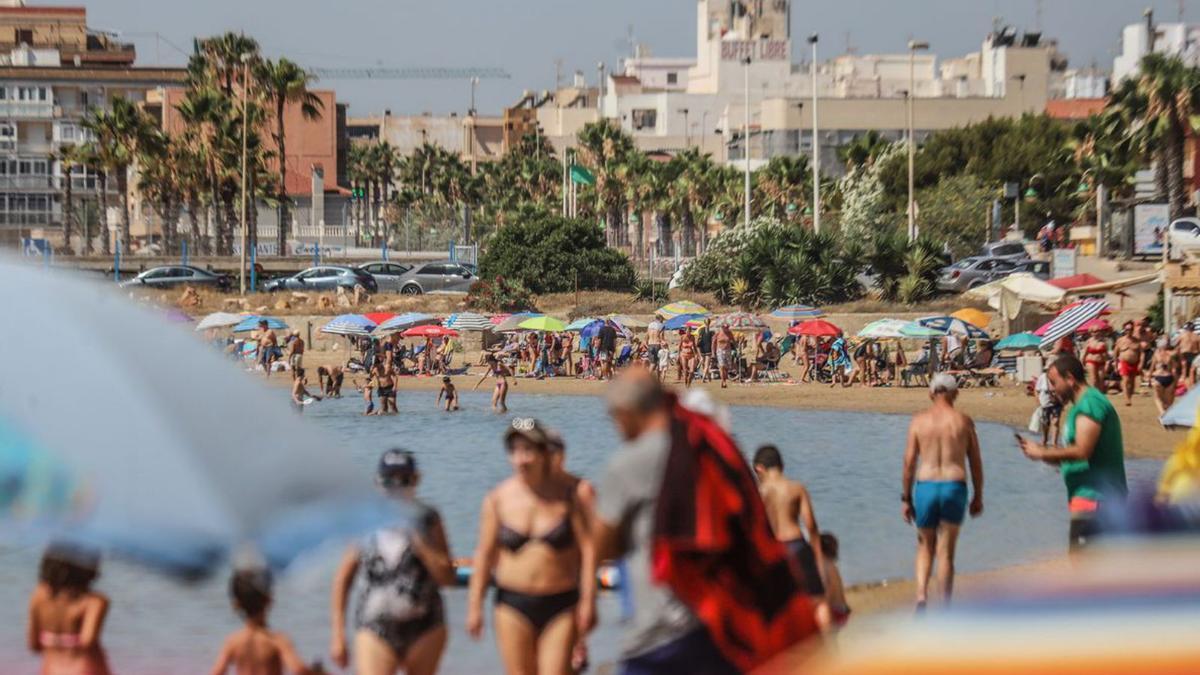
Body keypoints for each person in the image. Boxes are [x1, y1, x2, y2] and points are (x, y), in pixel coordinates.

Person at [594, 372, 816, 673]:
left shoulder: (631, 462)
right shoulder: (712, 448)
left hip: (660, 629)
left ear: (627, 413)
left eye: (612, 417)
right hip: (721, 617)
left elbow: (601, 547)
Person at [466, 419, 596, 675]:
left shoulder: (571, 495)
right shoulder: (498, 499)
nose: (521, 459)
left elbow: (589, 551)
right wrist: (474, 607)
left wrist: (589, 602)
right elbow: (484, 554)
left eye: (528, 451)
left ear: (544, 453)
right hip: (512, 603)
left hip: (561, 602)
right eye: (515, 451)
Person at [330, 450, 455, 675]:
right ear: (377, 483)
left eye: (404, 480)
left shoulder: (428, 518)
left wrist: (420, 542)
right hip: (374, 626)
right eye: (389, 481)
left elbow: (446, 577)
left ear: (416, 480)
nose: (396, 488)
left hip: (425, 626)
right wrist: (338, 634)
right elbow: (343, 578)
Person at [1017, 354, 1128, 552]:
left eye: (1054, 382)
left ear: (1069, 378)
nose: (1051, 389)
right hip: (1087, 499)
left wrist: (1042, 452)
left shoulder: (1090, 404)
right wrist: (1044, 455)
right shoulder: (1081, 406)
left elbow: (1082, 451)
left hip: (1097, 498)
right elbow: (1076, 458)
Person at [901, 374, 984, 609]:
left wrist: (906, 498)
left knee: (925, 545)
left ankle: (921, 596)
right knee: (946, 551)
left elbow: (908, 463)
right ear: (955, 394)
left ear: (931, 393)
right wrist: (978, 495)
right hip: (954, 485)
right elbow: (975, 462)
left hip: (926, 486)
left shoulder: (918, 421)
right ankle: (945, 606)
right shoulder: (963, 421)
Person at [751, 446, 828, 626]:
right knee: (818, 602)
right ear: (782, 466)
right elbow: (812, 527)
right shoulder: (796, 488)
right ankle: (828, 644)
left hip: (775, 551)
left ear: (758, 469)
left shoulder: (758, 492)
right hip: (797, 545)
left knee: (779, 607)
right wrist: (818, 560)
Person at [27, 544, 111, 675]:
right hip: (85, 669)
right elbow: (87, 641)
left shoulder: (39, 595)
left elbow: (33, 645)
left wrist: (53, 639)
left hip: (50, 670)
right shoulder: (94, 601)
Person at [210, 568, 312, 675]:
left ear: (236, 605)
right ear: (269, 600)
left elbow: (217, 672)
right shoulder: (278, 640)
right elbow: (298, 669)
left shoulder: (233, 641)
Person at [818, 533, 850, 631]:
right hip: (843, 609)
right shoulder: (832, 565)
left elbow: (830, 590)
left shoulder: (825, 565)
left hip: (836, 611)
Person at [1149, 337, 1180, 416]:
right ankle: (1167, 414)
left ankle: (1162, 412)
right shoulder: (1171, 355)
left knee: (1158, 398)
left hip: (1158, 378)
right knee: (1168, 401)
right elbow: (1174, 370)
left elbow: (1151, 368)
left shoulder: (1157, 354)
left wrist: (1149, 379)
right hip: (1169, 378)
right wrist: (1175, 382)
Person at [1114, 322, 1142, 407]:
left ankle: (1129, 396)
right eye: (1127, 329)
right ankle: (1127, 399)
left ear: (1133, 330)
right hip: (1124, 362)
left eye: (1130, 329)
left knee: (1132, 382)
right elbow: (1116, 353)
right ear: (1124, 330)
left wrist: (1140, 363)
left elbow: (1140, 353)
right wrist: (1115, 365)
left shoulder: (1137, 340)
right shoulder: (1120, 340)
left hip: (1134, 363)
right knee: (1125, 381)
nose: (1128, 331)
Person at [1036, 367, 1062, 446]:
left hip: (1057, 402)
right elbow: (1037, 390)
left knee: (1056, 421)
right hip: (1045, 403)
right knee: (1045, 422)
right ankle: (1045, 439)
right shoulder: (1042, 377)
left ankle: (1054, 442)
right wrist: (1039, 401)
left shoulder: (1060, 377)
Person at [714, 324, 734, 389]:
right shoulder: (718, 333)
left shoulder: (729, 333)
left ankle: (724, 379)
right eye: (725, 327)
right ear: (722, 327)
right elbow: (713, 342)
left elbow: (733, 340)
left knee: (726, 368)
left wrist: (737, 346)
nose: (726, 328)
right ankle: (723, 381)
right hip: (720, 350)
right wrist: (713, 352)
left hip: (728, 350)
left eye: (727, 327)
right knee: (722, 366)